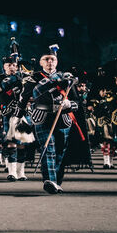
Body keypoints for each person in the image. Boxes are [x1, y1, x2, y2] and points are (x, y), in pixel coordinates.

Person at [16, 44, 80, 194]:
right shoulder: (33, 79)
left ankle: (57, 180)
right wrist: (18, 117)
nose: (49, 62)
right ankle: (49, 180)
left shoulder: (66, 78)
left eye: (52, 59)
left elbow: (78, 102)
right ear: (41, 62)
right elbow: (23, 99)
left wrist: (69, 103)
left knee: (60, 150)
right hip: (41, 117)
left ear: (56, 62)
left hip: (63, 117)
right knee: (47, 147)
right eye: (46, 59)